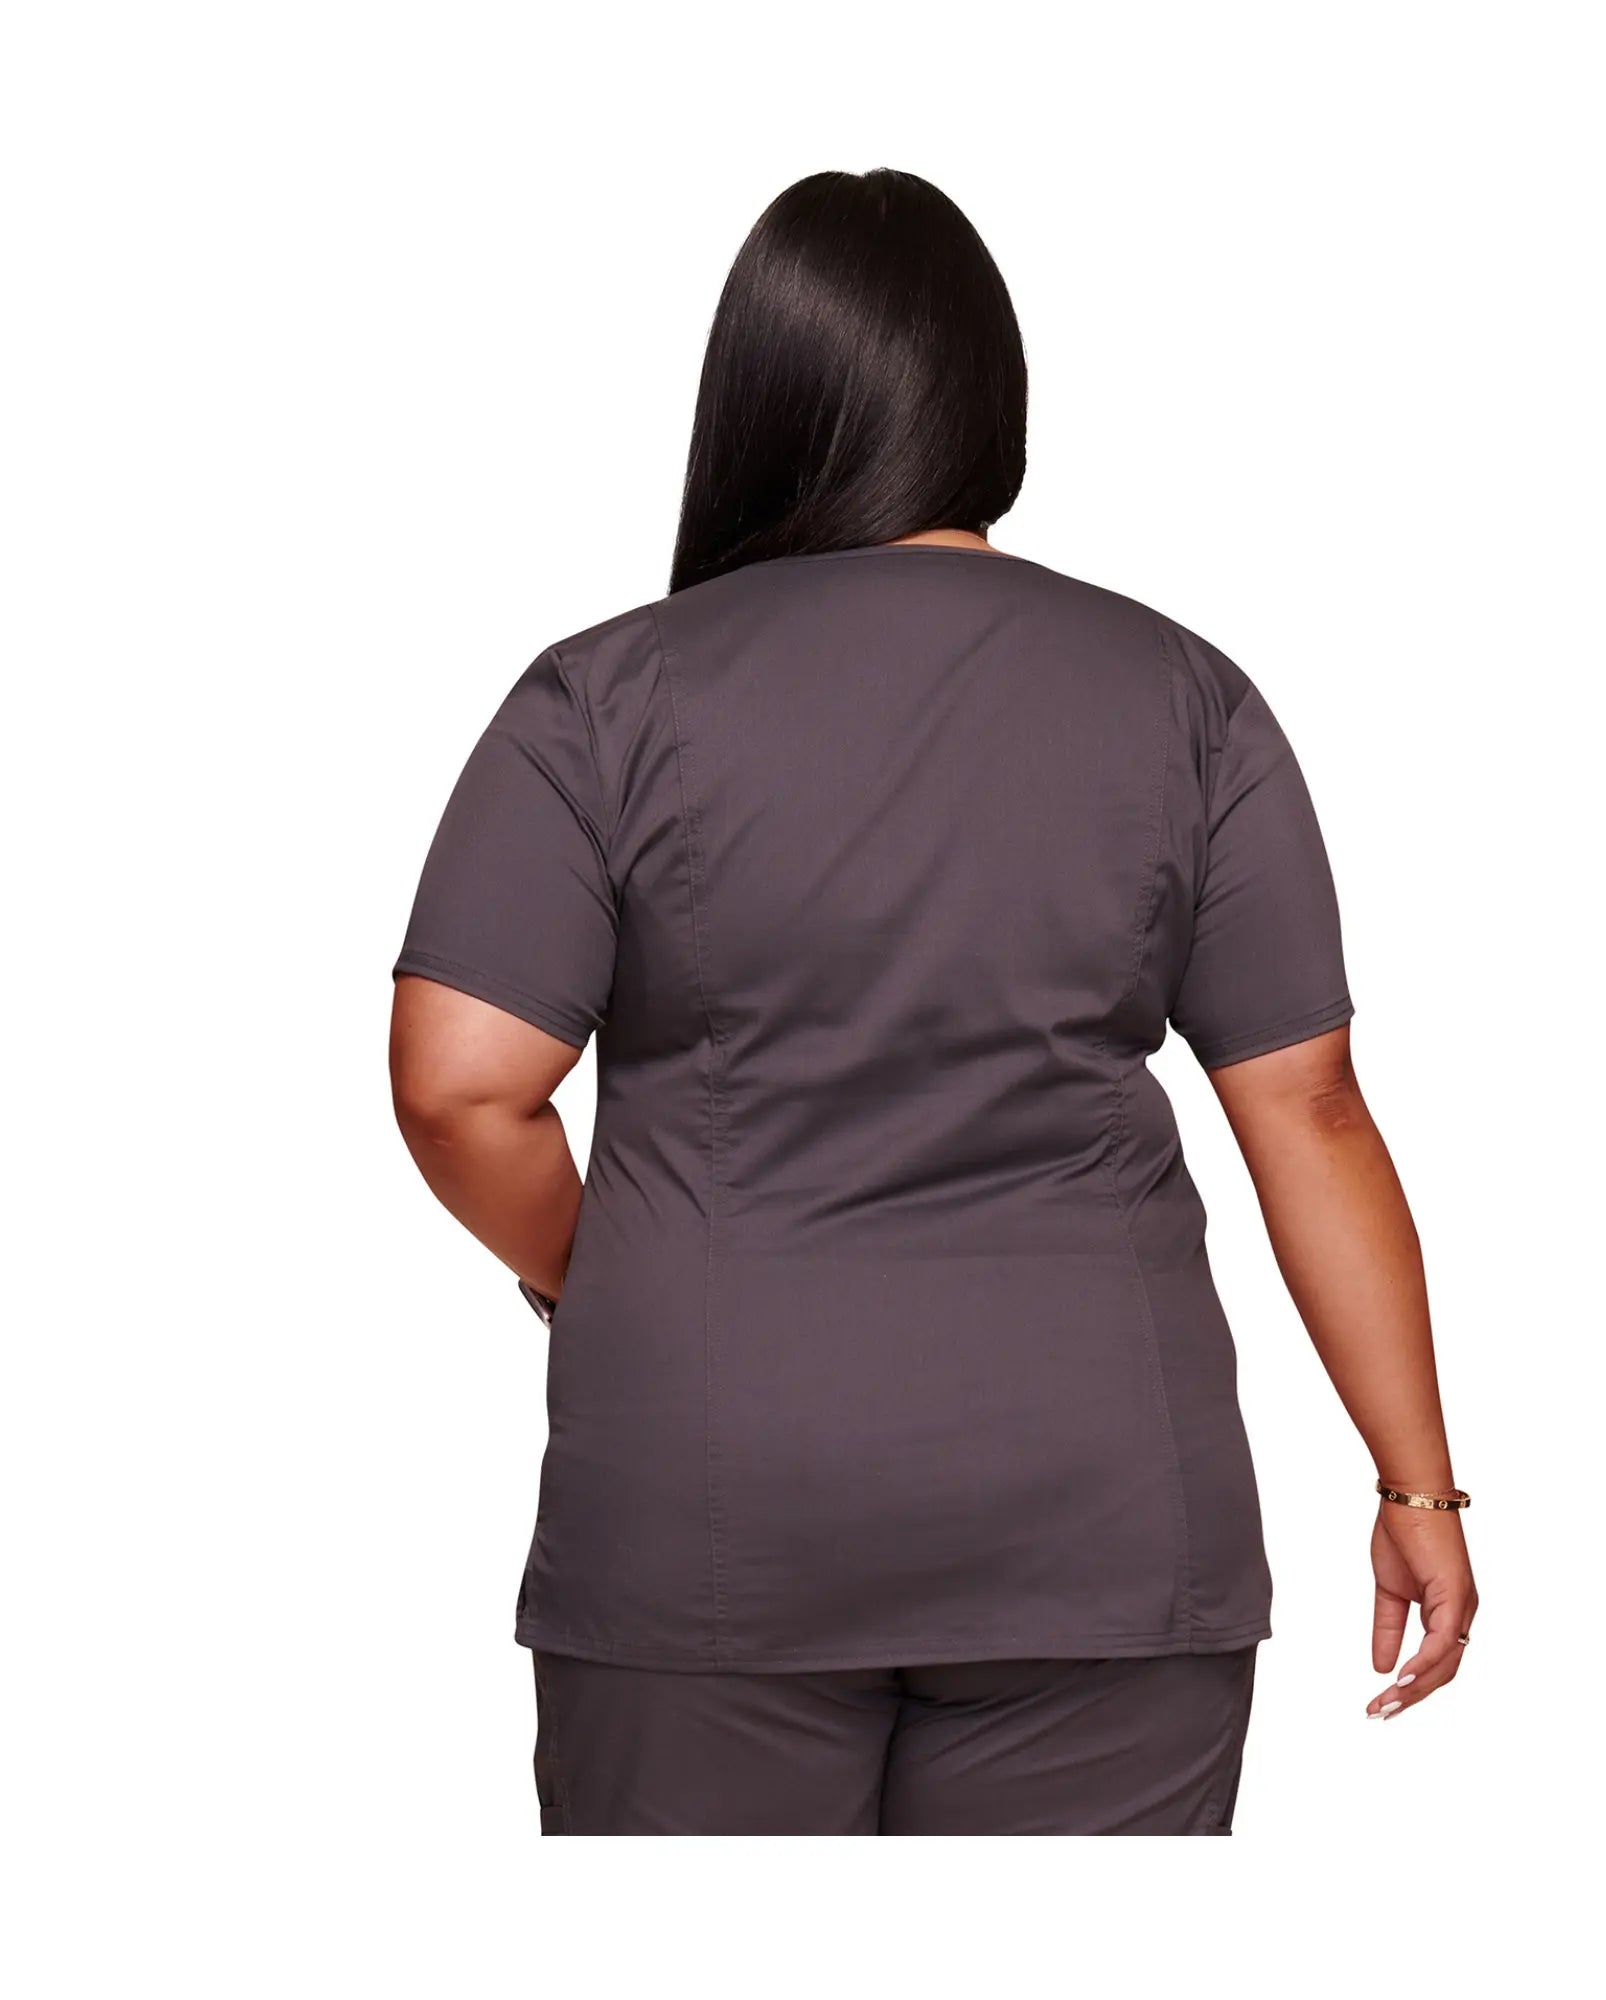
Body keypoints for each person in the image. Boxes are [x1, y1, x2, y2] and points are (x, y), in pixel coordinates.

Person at [389, 167, 1477, 1836]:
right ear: (993, 404)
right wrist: (1418, 1484)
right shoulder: (1183, 697)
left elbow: (460, 1083)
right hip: (1103, 1518)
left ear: (756, 398)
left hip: (705, 1508)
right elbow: (1311, 1111)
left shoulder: (603, 699)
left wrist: (599, 1279)